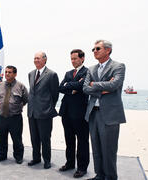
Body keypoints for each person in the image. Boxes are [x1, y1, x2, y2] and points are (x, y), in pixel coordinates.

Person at [83, 40, 126, 180]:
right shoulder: (91, 69)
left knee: (109, 149)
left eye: (97, 48)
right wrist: (103, 89)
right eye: (93, 49)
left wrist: (94, 85)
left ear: (107, 50)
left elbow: (115, 84)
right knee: (96, 148)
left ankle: (111, 177)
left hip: (110, 114)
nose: (94, 51)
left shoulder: (118, 66)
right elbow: (85, 88)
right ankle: (99, 175)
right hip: (93, 113)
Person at [58, 49, 89, 178]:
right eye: (71, 59)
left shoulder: (88, 72)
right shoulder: (68, 73)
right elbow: (60, 87)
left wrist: (69, 85)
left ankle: (82, 168)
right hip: (66, 112)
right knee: (69, 140)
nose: (73, 61)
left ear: (82, 59)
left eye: (75, 58)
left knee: (82, 141)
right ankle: (70, 163)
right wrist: (73, 87)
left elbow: (83, 86)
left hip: (80, 113)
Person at [27, 51, 59, 169]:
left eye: (38, 58)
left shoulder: (51, 74)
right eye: (34, 58)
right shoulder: (31, 74)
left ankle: (47, 160)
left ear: (45, 60)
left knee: (45, 138)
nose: (36, 60)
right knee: (34, 137)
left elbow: (55, 94)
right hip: (32, 112)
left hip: (45, 112)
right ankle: (36, 158)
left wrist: (48, 107)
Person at [0, 65, 28, 164]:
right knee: (1, 137)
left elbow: (26, 99)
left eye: (10, 72)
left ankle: (18, 156)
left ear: (15, 74)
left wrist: (16, 107)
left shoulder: (21, 86)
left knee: (17, 138)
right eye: (6, 72)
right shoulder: (0, 86)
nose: (7, 74)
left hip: (15, 117)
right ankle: (1, 155)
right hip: (1, 117)